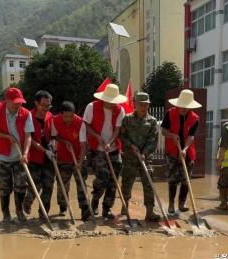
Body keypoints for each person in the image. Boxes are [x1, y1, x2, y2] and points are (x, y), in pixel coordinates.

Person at [83, 84, 126, 219]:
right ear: (104, 99)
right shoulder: (92, 107)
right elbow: (86, 125)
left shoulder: (120, 110)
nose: (113, 104)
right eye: (110, 101)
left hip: (113, 148)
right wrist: (97, 137)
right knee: (103, 177)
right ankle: (94, 203)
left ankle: (106, 208)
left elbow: (117, 130)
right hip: (97, 148)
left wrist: (110, 142)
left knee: (113, 180)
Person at [0, 87, 34, 223]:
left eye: (20, 102)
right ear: (6, 101)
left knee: (21, 185)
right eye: (15, 102)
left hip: (19, 156)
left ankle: (19, 212)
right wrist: (6, 136)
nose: (18, 105)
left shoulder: (26, 114)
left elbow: (28, 136)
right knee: (5, 187)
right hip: (1, 156)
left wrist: (26, 153)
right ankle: (6, 213)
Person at [120, 92, 160, 222]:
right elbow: (122, 136)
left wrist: (144, 153)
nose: (143, 107)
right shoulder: (127, 119)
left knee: (149, 183)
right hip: (130, 157)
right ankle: (124, 207)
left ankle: (150, 212)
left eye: (146, 105)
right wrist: (131, 146)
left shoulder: (152, 121)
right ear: (135, 105)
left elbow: (153, 140)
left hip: (145, 158)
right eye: (141, 104)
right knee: (127, 182)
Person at [161, 89, 201, 215]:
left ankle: (182, 203)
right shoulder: (170, 114)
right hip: (172, 152)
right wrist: (172, 135)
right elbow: (163, 131)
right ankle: (171, 204)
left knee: (186, 180)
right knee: (173, 179)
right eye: (181, 106)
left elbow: (191, 136)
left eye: (186, 107)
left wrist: (185, 149)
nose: (183, 108)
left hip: (188, 153)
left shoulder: (195, 118)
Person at [52, 101, 89, 221]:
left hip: (78, 156)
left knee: (81, 184)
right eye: (66, 116)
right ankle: (63, 207)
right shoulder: (55, 120)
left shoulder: (80, 123)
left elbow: (84, 144)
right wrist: (64, 141)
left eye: (71, 116)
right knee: (62, 184)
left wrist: (80, 162)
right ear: (61, 114)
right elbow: (54, 136)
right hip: (63, 157)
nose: (69, 119)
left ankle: (84, 209)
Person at [23, 90, 55, 219]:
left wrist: (52, 146)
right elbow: (30, 139)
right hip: (34, 157)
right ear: (36, 103)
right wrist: (44, 151)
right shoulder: (28, 117)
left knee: (48, 186)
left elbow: (53, 135)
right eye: (43, 105)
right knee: (35, 185)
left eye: (48, 105)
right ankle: (28, 202)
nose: (46, 108)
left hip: (49, 157)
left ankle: (43, 213)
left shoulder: (50, 117)